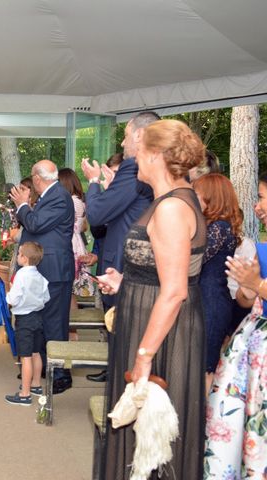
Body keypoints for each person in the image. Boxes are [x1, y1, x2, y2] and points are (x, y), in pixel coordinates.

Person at [97, 119, 207, 480]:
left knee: (153, 438)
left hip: (161, 337)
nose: (134, 157)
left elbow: (174, 291)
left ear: (156, 155)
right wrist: (126, 280)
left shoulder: (173, 207)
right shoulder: (166, 200)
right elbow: (163, 269)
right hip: (147, 321)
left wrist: (144, 357)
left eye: (139, 149)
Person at [80, 112, 157, 384]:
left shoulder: (133, 167)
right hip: (128, 263)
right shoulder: (137, 173)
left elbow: (98, 214)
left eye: (125, 137)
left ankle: (122, 391)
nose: (122, 145)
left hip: (124, 267)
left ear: (138, 135)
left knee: (123, 335)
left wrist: (93, 183)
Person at [205, 173, 267, 478]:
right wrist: (247, 287)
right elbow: (246, 301)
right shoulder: (262, 246)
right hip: (252, 346)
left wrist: (256, 283)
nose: (258, 206)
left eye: (263, 198)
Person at [9, 160, 75, 394]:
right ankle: (46, 368)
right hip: (47, 269)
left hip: (55, 270)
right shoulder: (52, 195)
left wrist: (22, 205)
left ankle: (60, 375)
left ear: (37, 178)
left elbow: (35, 224)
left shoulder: (58, 196)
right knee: (45, 323)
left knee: (55, 324)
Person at [192, 173, 242, 390]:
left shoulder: (219, 228)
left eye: (197, 194)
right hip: (207, 300)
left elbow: (195, 260)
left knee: (205, 367)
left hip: (211, 303)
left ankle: (202, 420)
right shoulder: (215, 226)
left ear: (211, 197)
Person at [4, 242, 49, 405]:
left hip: (24, 320)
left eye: (19, 254)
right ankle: (36, 384)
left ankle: (24, 394)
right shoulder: (40, 276)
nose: (17, 256)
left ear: (24, 258)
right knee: (36, 353)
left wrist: (8, 293)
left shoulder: (21, 276)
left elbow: (14, 299)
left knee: (25, 357)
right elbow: (46, 298)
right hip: (38, 317)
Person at [58, 168, 94, 307]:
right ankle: (71, 327)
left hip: (71, 244)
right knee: (70, 293)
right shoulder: (78, 200)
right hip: (76, 242)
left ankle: (71, 327)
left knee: (69, 293)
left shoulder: (72, 201)